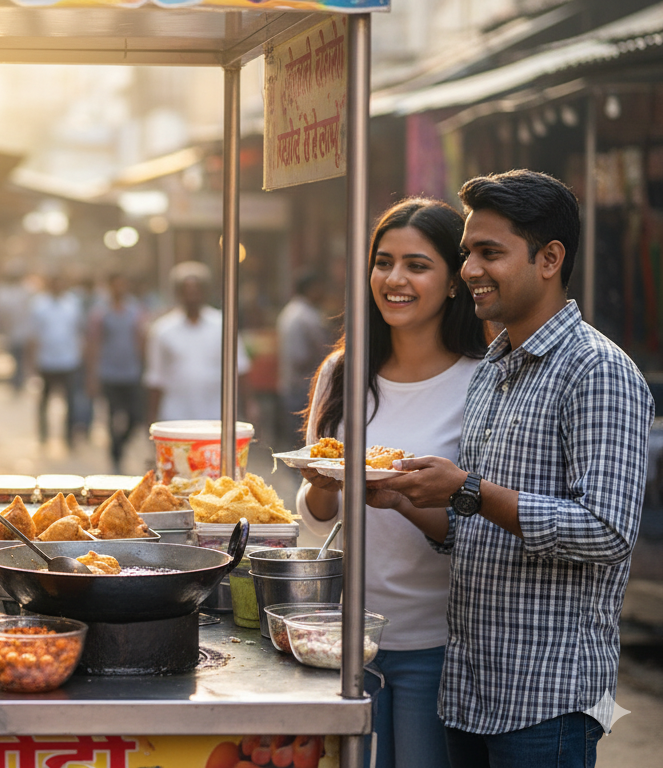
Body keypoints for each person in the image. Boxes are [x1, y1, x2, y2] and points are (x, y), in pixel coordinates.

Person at [376, 170, 654, 768]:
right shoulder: (494, 367)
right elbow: (475, 533)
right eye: (467, 253)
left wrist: (468, 489)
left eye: (490, 253)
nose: (470, 269)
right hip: (470, 692)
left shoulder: (597, 371)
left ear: (549, 258)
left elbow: (606, 531)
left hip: (545, 702)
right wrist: (404, 499)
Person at [297, 198, 486, 768]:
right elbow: (313, 519)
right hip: (347, 633)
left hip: (442, 639)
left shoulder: (482, 383)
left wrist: (401, 497)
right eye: (383, 262)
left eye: (417, 265)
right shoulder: (342, 372)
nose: (395, 279)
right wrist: (324, 485)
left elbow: (474, 519)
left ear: (454, 282)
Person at [144, 261, 250, 423]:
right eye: (186, 291)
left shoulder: (223, 325)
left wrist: (249, 406)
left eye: (196, 290)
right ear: (178, 293)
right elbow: (156, 378)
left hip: (217, 416)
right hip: (176, 417)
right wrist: (152, 416)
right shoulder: (162, 330)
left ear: (204, 292)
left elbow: (240, 368)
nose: (191, 295)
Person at [86, 273, 147, 473]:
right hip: (109, 373)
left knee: (136, 417)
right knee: (112, 417)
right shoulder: (101, 313)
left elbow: (140, 340)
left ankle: (120, 445)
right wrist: (92, 375)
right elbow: (94, 343)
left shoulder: (135, 311)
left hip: (131, 373)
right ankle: (115, 457)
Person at [26, 274, 85, 447]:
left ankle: (69, 437)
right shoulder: (39, 305)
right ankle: (44, 435)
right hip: (46, 360)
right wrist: (32, 362)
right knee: (45, 401)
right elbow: (33, 335)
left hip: (69, 360)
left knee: (71, 401)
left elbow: (78, 330)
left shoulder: (73, 303)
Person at [276, 272, 329, 444]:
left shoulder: (291, 312)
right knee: (303, 438)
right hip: (303, 386)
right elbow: (299, 357)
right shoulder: (305, 316)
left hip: (292, 384)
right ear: (311, 289)